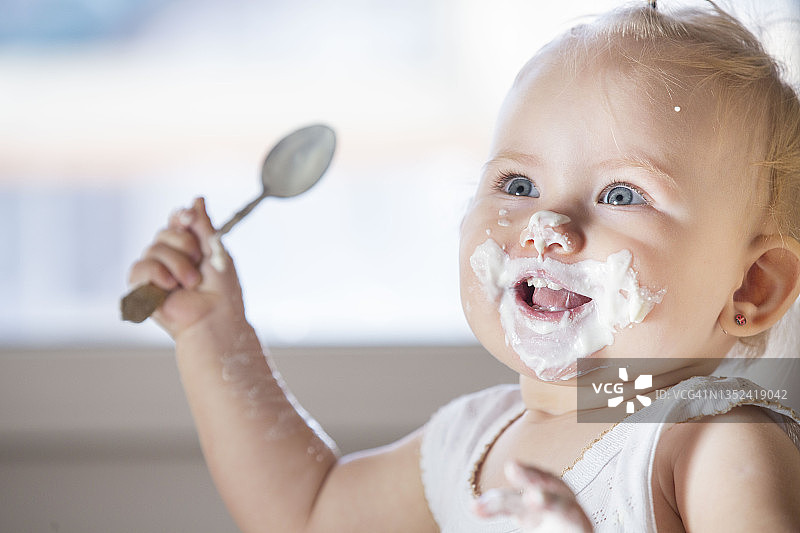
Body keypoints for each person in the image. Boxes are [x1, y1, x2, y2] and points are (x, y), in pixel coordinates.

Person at [126, 2, 800, 531]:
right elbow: (310, 512)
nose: (545, 228)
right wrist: (215, 335)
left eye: (621, 195)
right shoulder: (474, 438)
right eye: (518, 184)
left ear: (751, 286)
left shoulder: (712, 435)